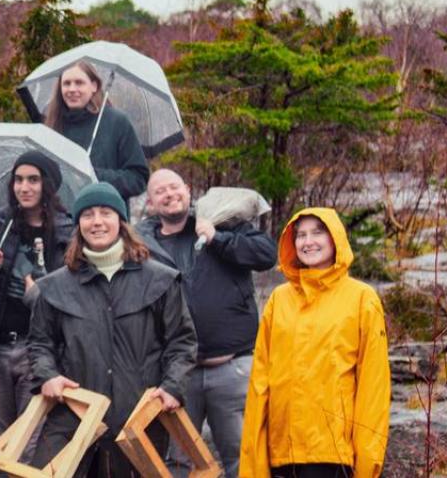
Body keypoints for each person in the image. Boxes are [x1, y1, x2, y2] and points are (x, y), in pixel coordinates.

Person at [27, 181, 198, 476]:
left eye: (105, 213)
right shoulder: (54, 288)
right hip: (75, 422)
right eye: (88, 214)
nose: (97, 222)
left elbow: (181, 342)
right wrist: (48, 376)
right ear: (78, 224)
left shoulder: (161, 280)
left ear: (120, 220)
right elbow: (40, 344)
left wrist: (173, 386)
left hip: (140, 422)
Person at [141, 169, 277, 478]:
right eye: (160, 191)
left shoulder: (220, 221)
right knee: (174, 462)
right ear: (150, 202)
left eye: (174, 187)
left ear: (188, 190)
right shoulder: (143, 246)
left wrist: (218, 239)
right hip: (178, 375)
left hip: (233, 369)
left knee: (243, 459)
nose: (169, 194)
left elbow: (267, 254)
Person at [240, 209, 390, 478]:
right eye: (300, 235)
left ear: (335, 239)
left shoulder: (361, 299)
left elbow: (373, 385)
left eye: (317, 232)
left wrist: (368, 461)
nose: (308, 242)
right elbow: (260, 382)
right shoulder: (279, 300)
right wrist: (254, 462)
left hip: (333, 454)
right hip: (282, 453)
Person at [0, 150, 70, 436]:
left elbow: (73, 295)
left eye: (33, 180)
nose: (24, 187)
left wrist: (41, 291)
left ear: (47, 184)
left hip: (38, 352)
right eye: (18, 180)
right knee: (0, 442)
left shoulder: (66, 231)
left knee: (28, 442)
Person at [39, 62, 150, 200]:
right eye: (66, 83)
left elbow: (138, 178)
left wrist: (93, 175)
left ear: (94, 86)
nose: (72, 89)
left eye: (79, 83)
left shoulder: (116, 122)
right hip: (62, 216)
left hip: (105, 214)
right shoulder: (51, 126)